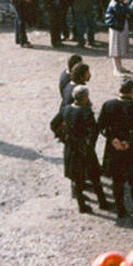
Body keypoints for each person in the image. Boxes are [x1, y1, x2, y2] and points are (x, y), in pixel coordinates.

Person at [50, 84, 108, 214]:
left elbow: (53, 124)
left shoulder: (65, 109)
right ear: (85, 97)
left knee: (76, 177)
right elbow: (94, 130)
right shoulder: (86, 112)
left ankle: (82, 205)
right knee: (94, 176)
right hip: (84, 148)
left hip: (71, 147)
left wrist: (63, 137)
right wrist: (89, 143)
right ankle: (102, 202)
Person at [96, 78, 133, 220]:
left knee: (117, 181)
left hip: (114, 149)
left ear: (119, 90)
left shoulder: (108, 105)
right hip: (132, 150)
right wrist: (129, 142)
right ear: (132, 91)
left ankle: (120, 209)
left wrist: (113, 139)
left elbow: (101, 126)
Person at [104, 0, 131, 76]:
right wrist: (126, 5)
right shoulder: (115, 4)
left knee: (119, 47)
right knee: (115, 48)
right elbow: (122, 13)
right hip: (116, 28)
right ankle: (116, 69)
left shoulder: (119, 3)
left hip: (120, 27)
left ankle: (119, 66)